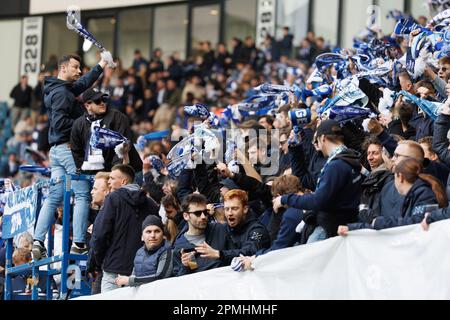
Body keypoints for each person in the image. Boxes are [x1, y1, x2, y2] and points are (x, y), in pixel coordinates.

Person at [32, 52, 114, 260]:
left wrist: (102, 64)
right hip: (68, 150)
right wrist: (85, 122)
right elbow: (60, 124)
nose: (79, 71)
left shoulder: (60, 88)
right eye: (76, 67)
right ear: (63, 68)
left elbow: (84, 82)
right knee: (82, 194)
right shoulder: (62, 94)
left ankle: (37, 241)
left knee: (54, 197)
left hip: (57, 152)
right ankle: (78, 243)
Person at [272, 120, 362, 242]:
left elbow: (318, 201)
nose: (316, 145)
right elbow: (305, 180)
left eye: (316, 141)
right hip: (340, 226)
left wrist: (284, 199)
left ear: (323, 138)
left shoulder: (336, 165)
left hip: (332, 229)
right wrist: (295, 148)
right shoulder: (348, 158)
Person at [89, 164, 159, 292]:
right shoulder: (152, 204)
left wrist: (100, 262)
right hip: (143, 270)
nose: (108, 181)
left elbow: (100, 235)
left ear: (123, 181)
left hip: (113, 270)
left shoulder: (112, 199)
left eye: (111, 178)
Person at [70, 87, 143, 174]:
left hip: (127, 171)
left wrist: (114, 172)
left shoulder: (117, 117)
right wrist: (87, 171)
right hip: (98, 175)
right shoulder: (78, 124)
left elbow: (123, 145)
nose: (102, 103)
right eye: (97, 101)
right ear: (87, 105)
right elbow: (76, 151)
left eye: (103, 99)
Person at [172, 194, 234, 277]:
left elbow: (237, 255)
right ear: (186, 216)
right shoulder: (179, 247)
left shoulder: (220, 229)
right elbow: (177, 281)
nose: (203, 216)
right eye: (197, 213)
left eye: (205, 212)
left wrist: (219, 254)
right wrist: (185, 266)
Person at [115, 215, 173, 287]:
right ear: (142, 237)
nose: (153, 235)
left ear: (163, 235)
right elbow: (134, 276)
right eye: (148, 232)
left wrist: (129, 280)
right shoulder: (139, 252)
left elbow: (160, 277)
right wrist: (124, 283)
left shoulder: (167, 250)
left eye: (157, 231)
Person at [86, 172, 110, 295]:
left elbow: (99, 241)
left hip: (107, 270)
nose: (91, 192)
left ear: (107, 191)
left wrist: (93, 265)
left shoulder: (110, 213)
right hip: (100, 270)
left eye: (95, 189)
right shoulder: (101, 212)